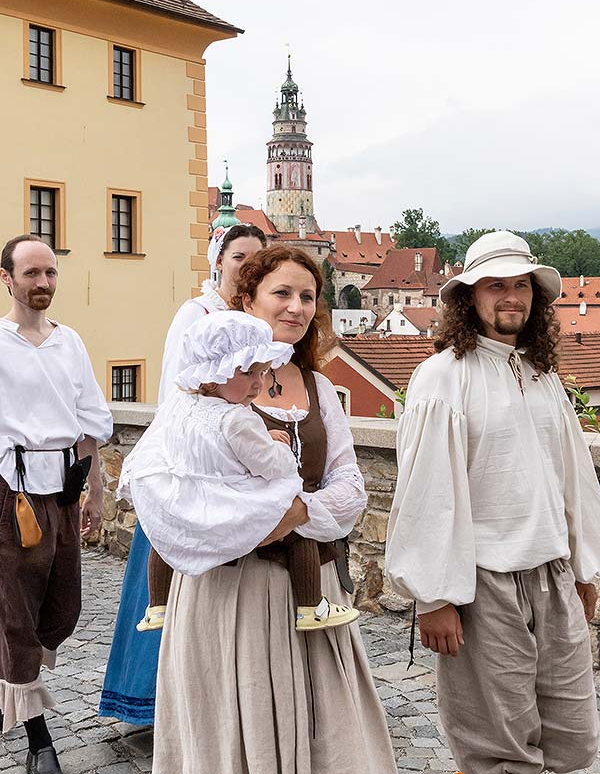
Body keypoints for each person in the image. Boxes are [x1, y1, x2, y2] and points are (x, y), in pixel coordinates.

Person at [148, 245, 397, 774]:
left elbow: (350, 485)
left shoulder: (320, 388)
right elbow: (165, 488)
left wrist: (295, 514)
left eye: (308, 296)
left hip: (308, 587)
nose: (297, 307)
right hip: (226, 593)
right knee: (232, 736)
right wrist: (236, 524)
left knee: (331, 737)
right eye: (281, 293)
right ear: (246, 301)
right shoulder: (200, 391)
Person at [386, 230, 600, 774]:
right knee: (497, 748)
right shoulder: (442, 378)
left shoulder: (542, 374)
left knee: (570, 739)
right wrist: (434, 598)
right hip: (484, 583)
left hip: (552, 576)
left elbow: (572, 477)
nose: (511, 296)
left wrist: (584, 568)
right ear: (468, 297)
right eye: (496, 285)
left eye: (521, 284)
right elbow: (427, 493)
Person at [99, 223, 266, 724]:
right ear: (219, 261)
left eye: (258, 258)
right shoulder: (196, 315)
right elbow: (180, 390)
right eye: (240, 257)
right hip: (191, 463)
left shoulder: (250, 316)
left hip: (234, 463)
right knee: (170, 583)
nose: (248, 266)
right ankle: (155, 701)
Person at [126, 311, 359, 633]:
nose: (258, 384)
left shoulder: (180, 405)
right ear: (213, 373)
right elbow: (269, 464)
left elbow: (156, 447)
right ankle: (311, 606)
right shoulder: (237, 419)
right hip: (232, 500)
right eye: (249, 372)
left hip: (190, 494)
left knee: (166, 537)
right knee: (298, 526)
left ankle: (158, 606)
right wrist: (279, 447)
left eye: (263, 372)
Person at [0, 235, 112, 774]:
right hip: (11, 493)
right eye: (32, 274)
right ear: (8, 280)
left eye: (50, 273)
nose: (43, 283)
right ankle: (38, 739)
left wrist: (95, 487)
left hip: (63, 490)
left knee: (62, 610)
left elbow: (90, 422)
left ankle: (12, 678)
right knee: (15, 615)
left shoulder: (70, 343)